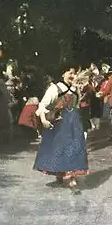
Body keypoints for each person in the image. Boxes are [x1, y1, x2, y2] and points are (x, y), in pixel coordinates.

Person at [33, 63, 89, 193]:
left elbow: (77, 105)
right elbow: (43, 105)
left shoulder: (76, 89)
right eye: (70, 73)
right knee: (59, 149)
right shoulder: (54, 88)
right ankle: (59, 173)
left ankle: (72, 180)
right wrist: (43, 119)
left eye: (74, 73)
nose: (73, 76)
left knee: (75, 148)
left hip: (74, 123)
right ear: (63, 73)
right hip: (60, 123)